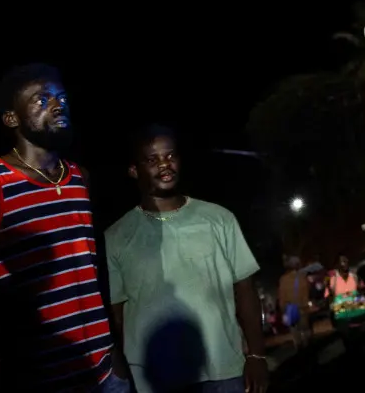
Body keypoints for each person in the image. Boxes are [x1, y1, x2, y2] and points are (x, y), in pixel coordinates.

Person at [0, 64, 130, 392]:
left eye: (61, 97)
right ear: (11, 118)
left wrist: (116, 353)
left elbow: (94, 273)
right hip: (35, 379)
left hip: (103, 374)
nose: (57, 105)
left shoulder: (80, 177)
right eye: (41, 99)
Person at [105, 125, 268, 393]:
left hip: (224, 371)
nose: (164, 165)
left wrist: (257, 355)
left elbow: (246, 290)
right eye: (152, 160)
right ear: (134, 171)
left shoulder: (219, 219)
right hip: (155, 380)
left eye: (170, 156)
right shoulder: (116, 237)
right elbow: (116, 316)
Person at [276, 257, 312, 351]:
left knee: (294, 331)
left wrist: (283, 309)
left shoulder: (283, 279)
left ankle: (299, 349)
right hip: (302, 308)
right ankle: (308, 349)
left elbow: (281, 295)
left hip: (290, 309)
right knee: (305, 330)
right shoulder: (302, 277)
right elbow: (307, 292)